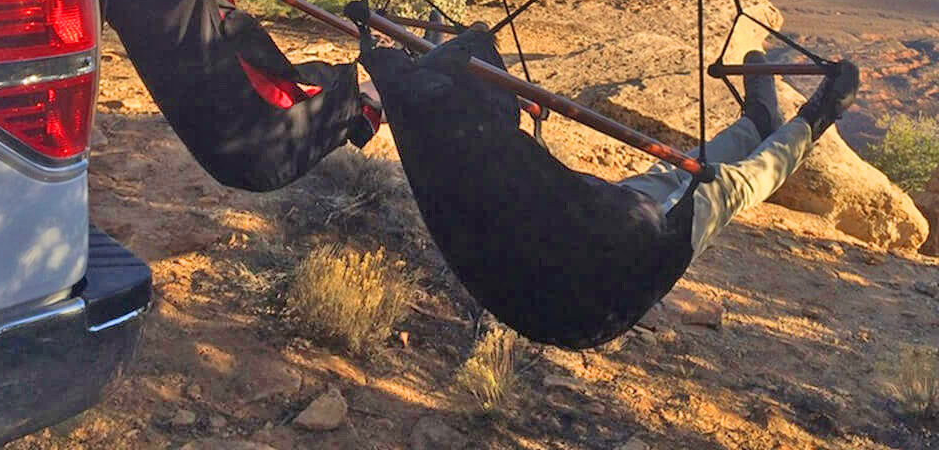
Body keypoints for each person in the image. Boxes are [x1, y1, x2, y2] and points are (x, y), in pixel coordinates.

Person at [356, 19, 860, 348]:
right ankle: (816, 119)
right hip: (611, 276)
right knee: (727, 187)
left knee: (678, 172)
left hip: (592, 222)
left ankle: (756, 121)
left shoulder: (459, 163)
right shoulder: (476, 153)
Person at [617, 49, 860, 260]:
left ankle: (756, 125)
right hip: (627, 256)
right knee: (716, 191)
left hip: (595, 214)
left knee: (666, 176)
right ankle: (813, 122)